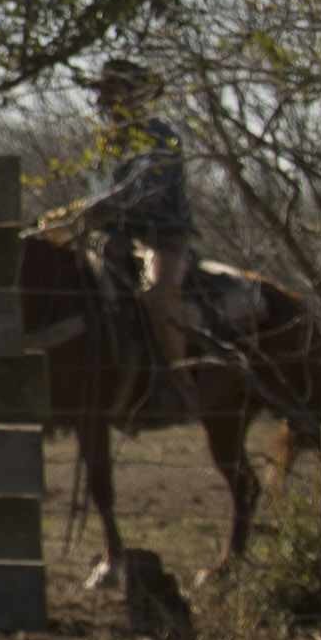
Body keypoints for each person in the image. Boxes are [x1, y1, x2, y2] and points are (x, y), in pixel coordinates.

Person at [66, 57, 203, 390]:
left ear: (135, 95)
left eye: (114, 92)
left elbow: (147, 192)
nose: (105, 102)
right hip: (111, 238)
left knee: (156, 292)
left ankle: (181, 379)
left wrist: (97, 206)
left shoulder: (161, 136)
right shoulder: (106, 143)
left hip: (161, 238)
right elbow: (95, 188)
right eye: (104, 93)